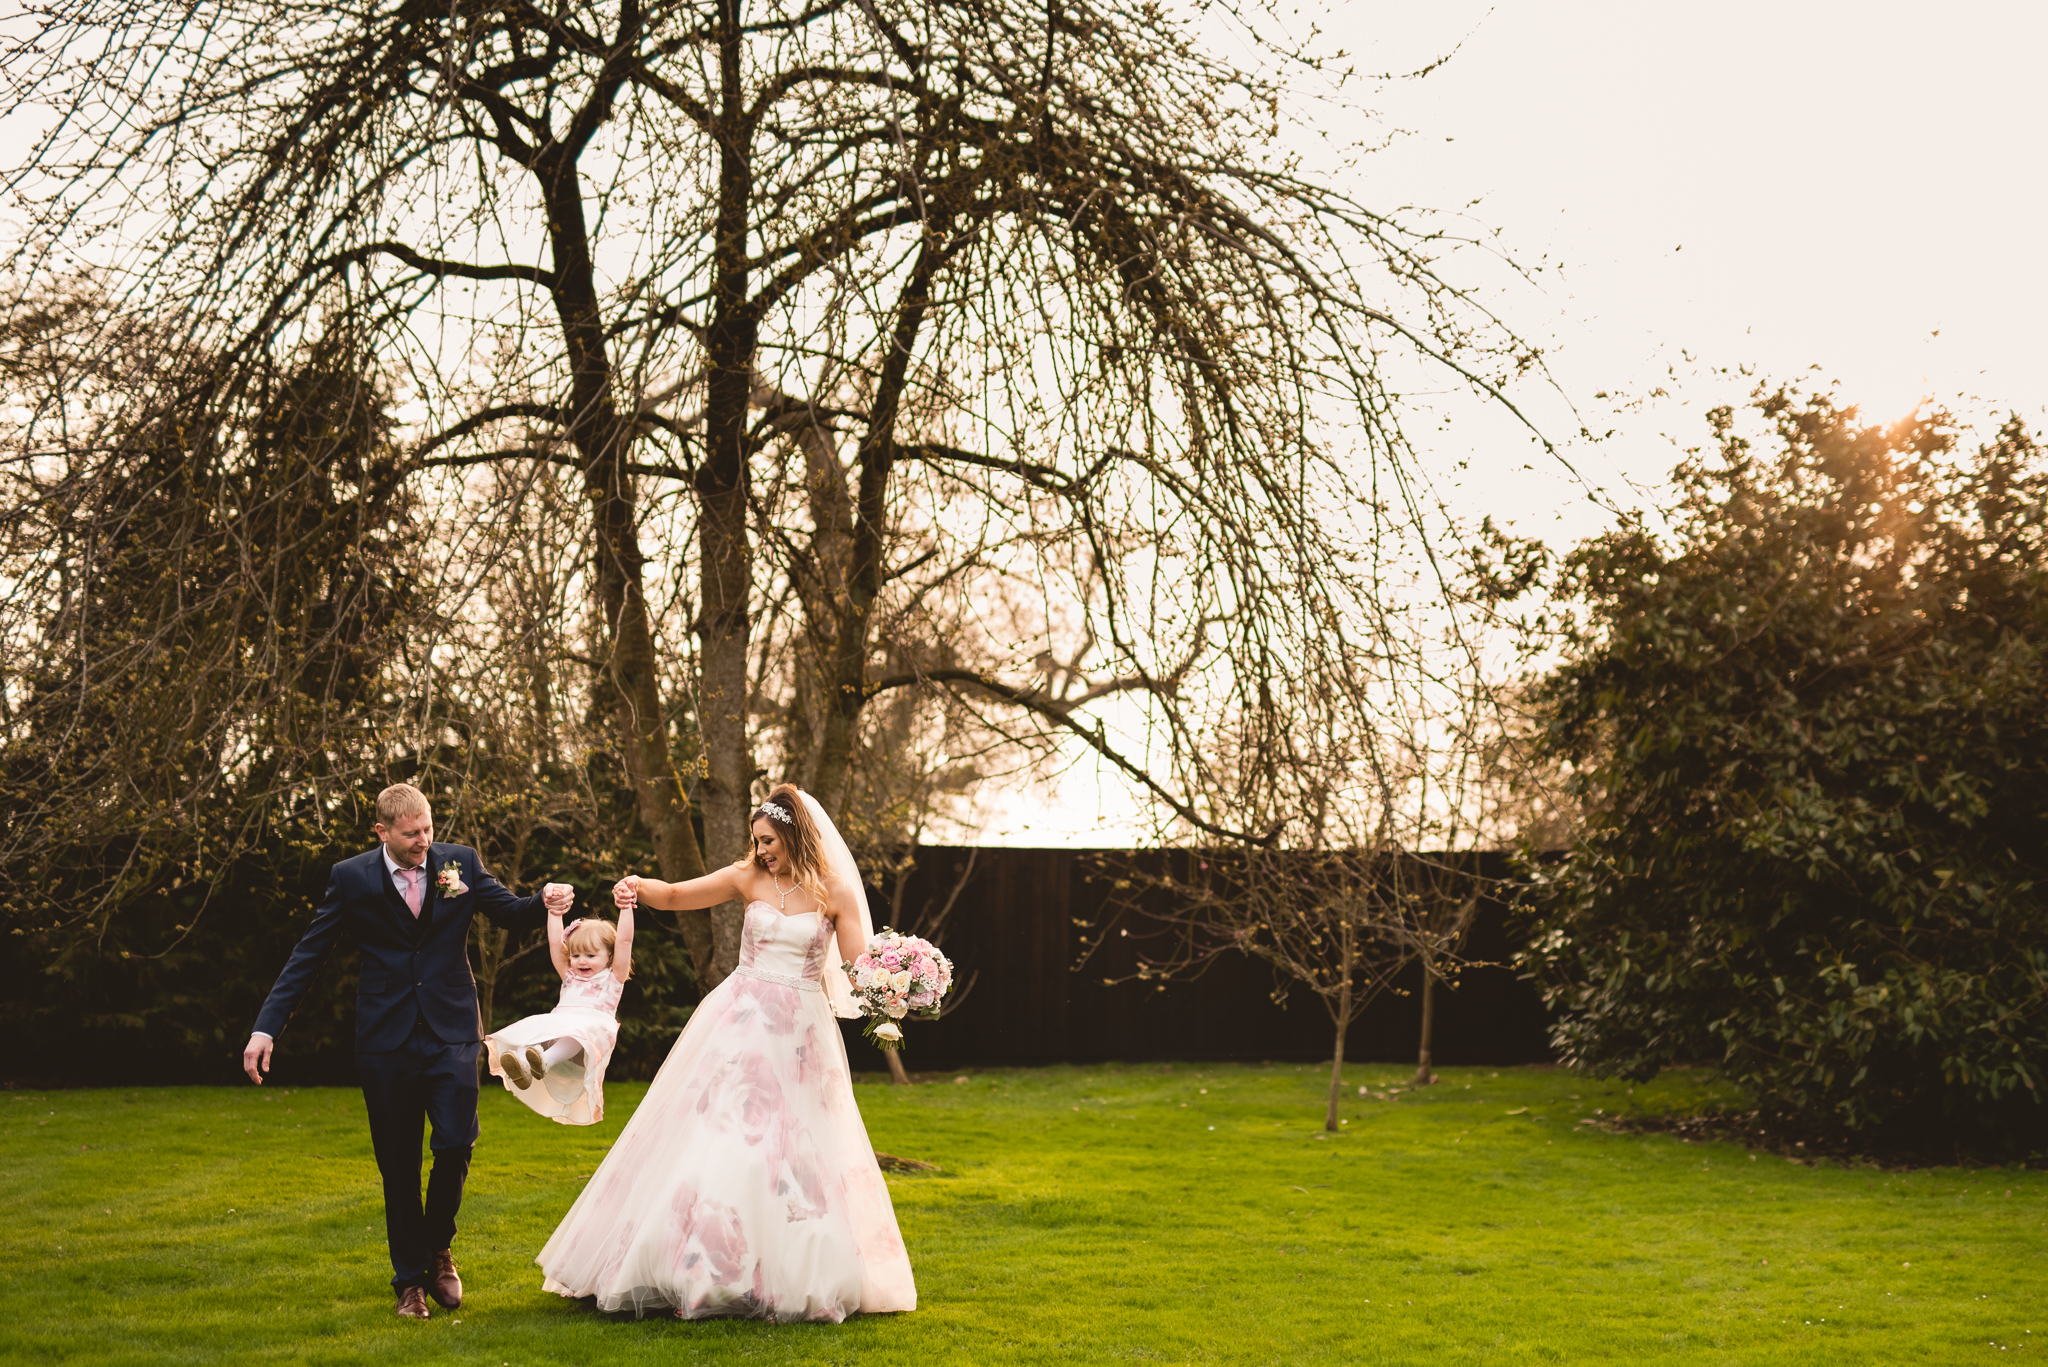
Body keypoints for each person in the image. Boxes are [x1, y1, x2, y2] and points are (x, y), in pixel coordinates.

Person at [535, 783, 917, 1322]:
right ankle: (701, 1268)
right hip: (742, 1018)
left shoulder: (835, 891)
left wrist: (897, 980)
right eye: (756, 840)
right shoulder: (746, 877)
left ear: (794, 835)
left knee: (798, 1143)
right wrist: (636, 887)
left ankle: (788, 1271)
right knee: (723, 1132)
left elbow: (858, 967)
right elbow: (675, 895)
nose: (761, 850)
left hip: (802, 1032)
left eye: (769, 841)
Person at [240, 783, 573, 1320]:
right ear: (383, 832)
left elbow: (510, 911)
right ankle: (409, 1283)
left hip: (451, 1030)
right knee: (398, 1166)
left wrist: (546, 902)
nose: (424, 841)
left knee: (456, 1143)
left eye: (428, 828)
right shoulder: (351, 878)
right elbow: (309, 954)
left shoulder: (458, 863)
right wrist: (266, 1028)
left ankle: (438, 1247)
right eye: (412, 833)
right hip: (385, 1038)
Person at [486, 901, 633, 1126]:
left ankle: (543, 1060)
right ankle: (523, 1064)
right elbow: (556, 943)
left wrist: (626, 906)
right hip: (559, 1031)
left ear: (611, 957)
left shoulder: (613, 977)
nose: (581, 961)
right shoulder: (569, 975)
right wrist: (555, 912)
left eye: (590, 955)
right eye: (576, 955)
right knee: (531, 1027)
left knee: (576, 1032)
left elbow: (624, 941)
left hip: (586, 1041)